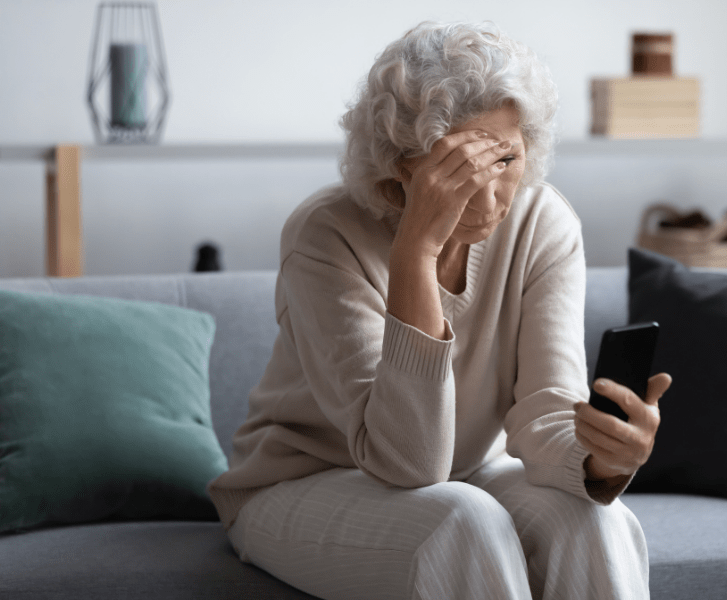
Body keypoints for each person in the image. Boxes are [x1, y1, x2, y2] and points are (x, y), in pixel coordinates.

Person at [207, 20, 672, 600]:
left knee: (597, 520)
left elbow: (545, 414)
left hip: (470, 473)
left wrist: (602, 461)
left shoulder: (542, 222)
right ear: (401, 167)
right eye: (456, 172)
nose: (488, 197)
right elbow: (408, 461)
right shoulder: (324, 235)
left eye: (505, 161)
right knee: (462, 522)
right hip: (305, 479)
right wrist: (417, 253)